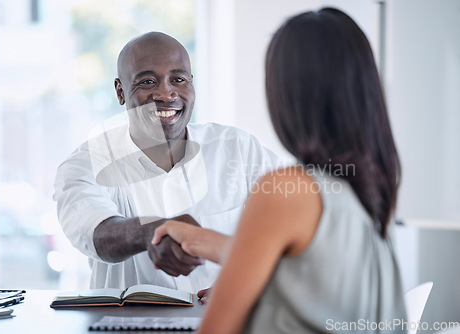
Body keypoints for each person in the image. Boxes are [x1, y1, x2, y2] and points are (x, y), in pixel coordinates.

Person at [152, 8, 407, 333]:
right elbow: (311, 265)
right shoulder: (371, 191)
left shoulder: (286, 190)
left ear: (286, 93)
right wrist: (203, 240)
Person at [53, 32, 280, 294]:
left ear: (192, 84)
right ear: (120, 91)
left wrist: (243, 281)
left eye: (178, 79)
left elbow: (290, 230)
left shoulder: (240, 150)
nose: (165, 93)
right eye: (148, 81)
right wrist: (150, 233)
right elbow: (97, 234)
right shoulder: (87, 163)